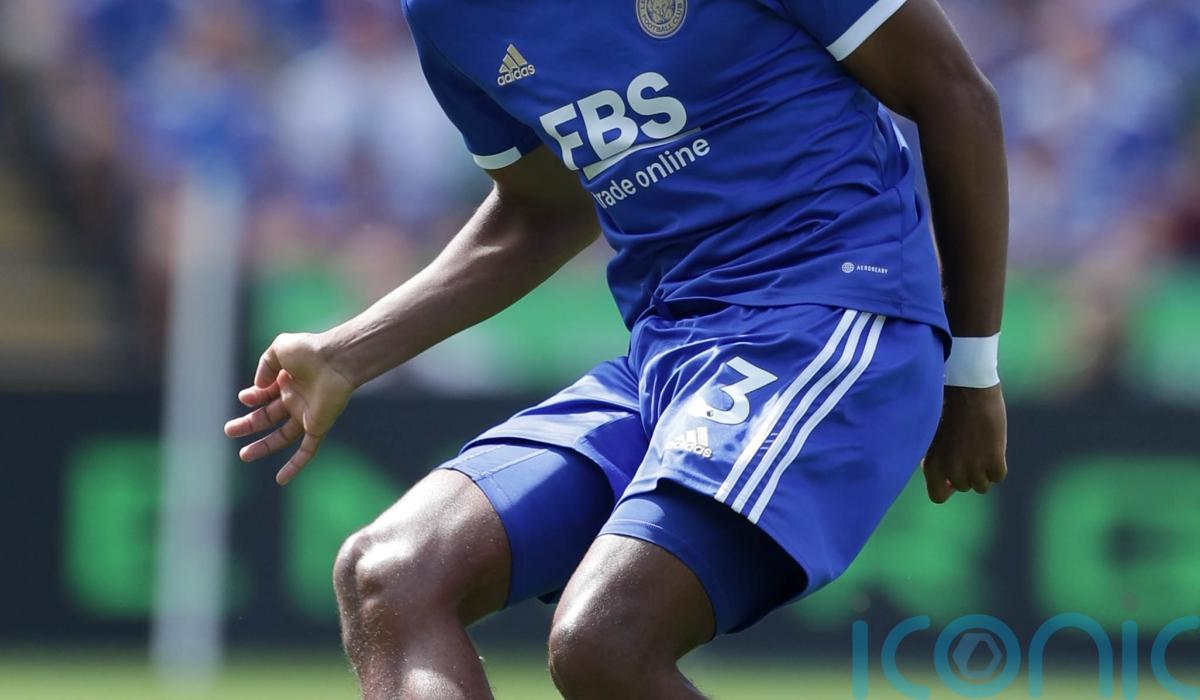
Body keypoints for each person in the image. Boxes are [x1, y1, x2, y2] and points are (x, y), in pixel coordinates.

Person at [225, 0, 1009, 696]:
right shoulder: (448, 15)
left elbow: (953, 90)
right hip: (666, 353)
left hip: (828, 315)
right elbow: (541, 208)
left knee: (606, 641)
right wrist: (347, 353)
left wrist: (972, 367)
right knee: (391, 578)